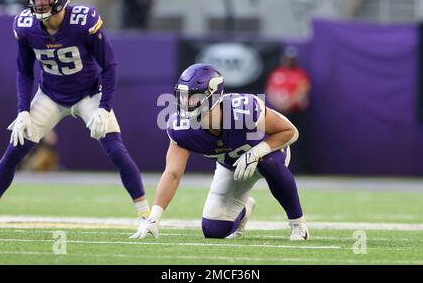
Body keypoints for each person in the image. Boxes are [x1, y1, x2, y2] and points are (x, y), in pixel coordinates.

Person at [0, 0, 150, 228]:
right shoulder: (26, 26)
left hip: (88, 94)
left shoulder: (83, 21)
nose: (39, 3)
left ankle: (145, 215)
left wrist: (104, 108)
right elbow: (24, 71)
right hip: (50, 95)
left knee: (116, 150)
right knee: (15, 150)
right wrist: (22, 110)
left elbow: (109, 67)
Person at [131, 64, 309, 241]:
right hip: (231, 164)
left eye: (192, 97)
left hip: (267, 150)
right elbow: (172, 173)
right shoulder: (181, 127)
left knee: (269, 163)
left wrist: (256, 153)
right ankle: (244, 209)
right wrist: (154, 216)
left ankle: (298, 224)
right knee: (213, 230)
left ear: (212, 95)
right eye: (183, 97)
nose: (185, 103)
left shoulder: (242, 110)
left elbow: (289, 132)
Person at [265, 46, 310, 173]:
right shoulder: (276, 73)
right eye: (287, 58)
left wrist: (287, 104)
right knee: (275, 140)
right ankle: (276, 167)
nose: (289, 61)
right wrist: (279, 105)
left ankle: (298, 169)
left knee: (297, 141)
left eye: (292, 59)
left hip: (295, 113)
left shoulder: (301, 74)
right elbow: (271, 91)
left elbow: (302, 93)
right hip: (278, 113)